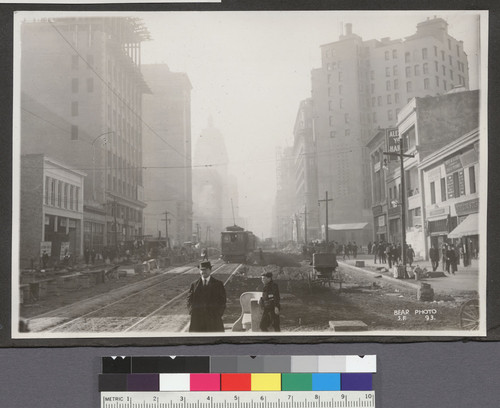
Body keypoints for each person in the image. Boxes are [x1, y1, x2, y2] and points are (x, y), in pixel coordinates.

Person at [187, 261, 226, 332]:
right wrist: (191, 311)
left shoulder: (218, 284)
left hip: (213, 318)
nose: (203, 272)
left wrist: (219, 313)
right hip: (197, 318)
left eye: (205, 269)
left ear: (210, 270)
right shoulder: (194, 284)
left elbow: (223, 301)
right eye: (201, 270)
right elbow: (189, 300)